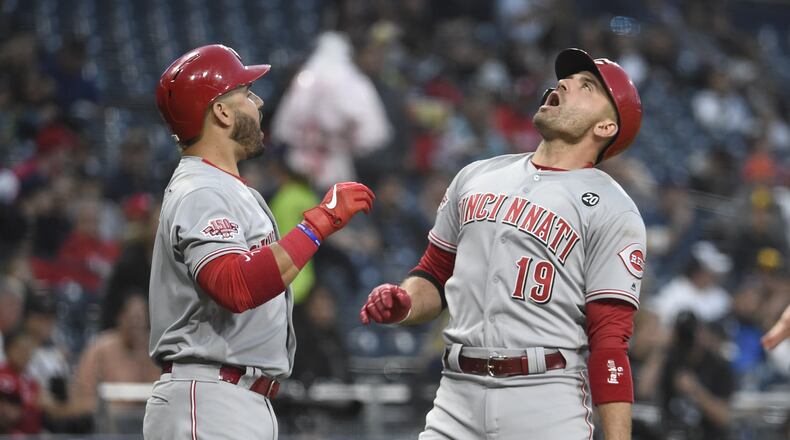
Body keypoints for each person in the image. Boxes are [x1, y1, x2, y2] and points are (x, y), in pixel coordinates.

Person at [360, 48, 644, 440]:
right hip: (456, 394)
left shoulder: (615, 209)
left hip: (544, 400)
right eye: (565, 78)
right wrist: (405, 301)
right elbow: (434, 275)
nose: (562, 84)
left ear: (606, 128)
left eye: (587, 86)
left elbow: (610, 342)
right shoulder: (476, 176)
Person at [144, 44, 374, 440]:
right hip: (210, 398)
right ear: (221, 111)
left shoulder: (225, 189)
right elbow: (235, 285)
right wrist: (320, 222)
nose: (259, 101)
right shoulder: (201, 190)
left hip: (233, 397)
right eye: (247, 93)